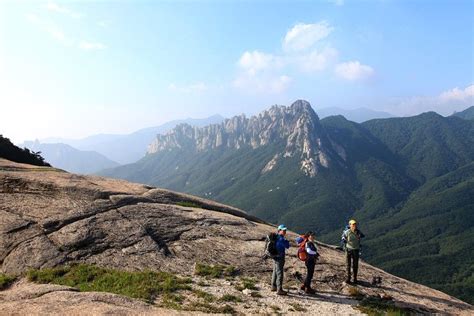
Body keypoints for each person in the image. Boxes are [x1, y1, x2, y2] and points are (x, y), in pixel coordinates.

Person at [342, 219, 365, 284]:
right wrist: (344, 239)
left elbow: (363, 236)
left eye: (355, 224)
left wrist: (360, 235)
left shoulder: (358, 232)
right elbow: (343, 238)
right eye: (353, 224)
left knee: (355, 265)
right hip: (348, 249)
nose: (354, 226)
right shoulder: (347, 232)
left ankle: (355, 278)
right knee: (348, 264)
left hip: (355, 250)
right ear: (350, 225)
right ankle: (348, 278)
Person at [271, 224, 290, 295]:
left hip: (274, 256)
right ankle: (279, 289)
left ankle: (273, 286)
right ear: (279, 230)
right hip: (280, 257)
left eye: (285, 230)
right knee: (279, 272)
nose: (285, 231)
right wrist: (286, 241)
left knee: (275, 271)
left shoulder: (275, 237)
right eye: (283, 230)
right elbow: (287, 246)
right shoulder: (281, 239)